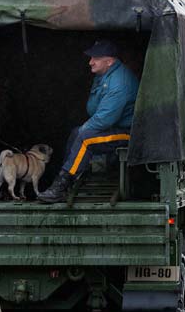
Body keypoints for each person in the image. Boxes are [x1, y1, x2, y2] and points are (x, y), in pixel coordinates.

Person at [38, 39, 139, 203]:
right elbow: (93, 109)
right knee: (76, 132)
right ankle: (66, 181)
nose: (90, 62)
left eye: (95, 58)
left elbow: (105, 119)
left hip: (127, 133)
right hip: (113, 127)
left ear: (109, 61)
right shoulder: (105, 75)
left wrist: (87, 127)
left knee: (85, 137)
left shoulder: (119, 82)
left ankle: (62, 185)